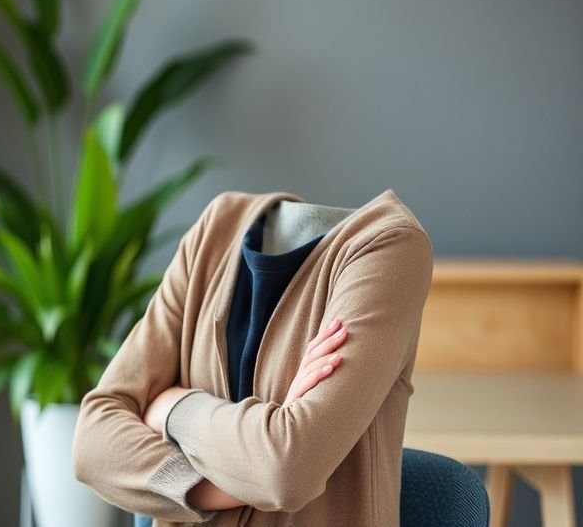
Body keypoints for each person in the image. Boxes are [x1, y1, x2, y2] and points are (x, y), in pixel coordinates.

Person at [73, 190, 433, 526]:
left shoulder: (390, 248)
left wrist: (173, 407)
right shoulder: (215, 230)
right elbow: (92, 442)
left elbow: (288, 469)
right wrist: (217, 489)